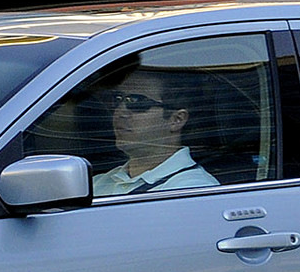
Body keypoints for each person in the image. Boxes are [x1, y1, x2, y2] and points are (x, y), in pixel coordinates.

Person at [90, 68, 219, 195]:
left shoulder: (192, 189)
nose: (120, 112)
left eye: (137, 102)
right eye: (118, 99)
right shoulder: (99, 183)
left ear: (177, 120)